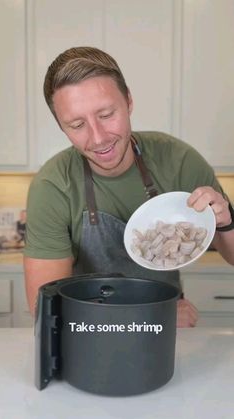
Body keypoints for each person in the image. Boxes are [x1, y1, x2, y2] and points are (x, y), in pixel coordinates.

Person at [24, 46, 234, 326]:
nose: (98, 138)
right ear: (62, 127)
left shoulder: (179, 161)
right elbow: (47, 311)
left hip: (167, 337)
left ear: (129, 102)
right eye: (77, 124)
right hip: (88, 337)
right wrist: (150, 315)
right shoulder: (52, 186)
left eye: (107, 114)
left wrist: (225, 222)